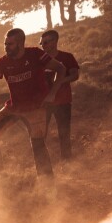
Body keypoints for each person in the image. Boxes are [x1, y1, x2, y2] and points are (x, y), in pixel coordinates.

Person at [0, 28, 66, 177]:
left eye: (10, 44)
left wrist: (52, 94)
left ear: (20, 43)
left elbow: (61, 69)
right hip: (14, 107)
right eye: (5, 44)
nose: (6, 47)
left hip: (36, 108)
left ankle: (47, 183)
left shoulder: (36, 54)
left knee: (37, 144)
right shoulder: (4, 62)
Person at [39, 30, 81, 160]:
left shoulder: (67, 57)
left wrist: (60, 81)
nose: (43, 45)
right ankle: (42, 163)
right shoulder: (39, 60)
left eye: (46, 42)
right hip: (43, 103)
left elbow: (75, 75)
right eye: (41, 43)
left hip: (62, 102)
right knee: (40, 135)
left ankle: (67, 164)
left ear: (55, 42)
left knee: (64, 134)